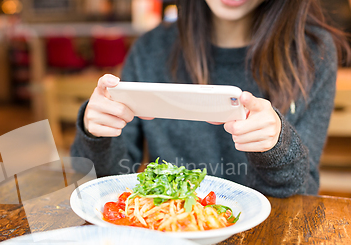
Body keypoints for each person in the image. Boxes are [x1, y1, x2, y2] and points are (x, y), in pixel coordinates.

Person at [70, 0, 351, 197]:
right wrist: (96, 132)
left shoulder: (313, 53)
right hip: (168, 234)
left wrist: (278, 146)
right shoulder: (150, 49)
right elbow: (103, 183)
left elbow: (301, 192)